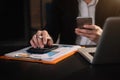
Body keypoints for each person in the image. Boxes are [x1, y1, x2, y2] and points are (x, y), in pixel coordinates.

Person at [30, 0, 120, 48]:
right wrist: (44, 37)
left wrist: (103, 39)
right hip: (69, 54)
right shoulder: (61, 1)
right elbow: (51, 31)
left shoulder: (116, 3)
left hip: (100, 53)